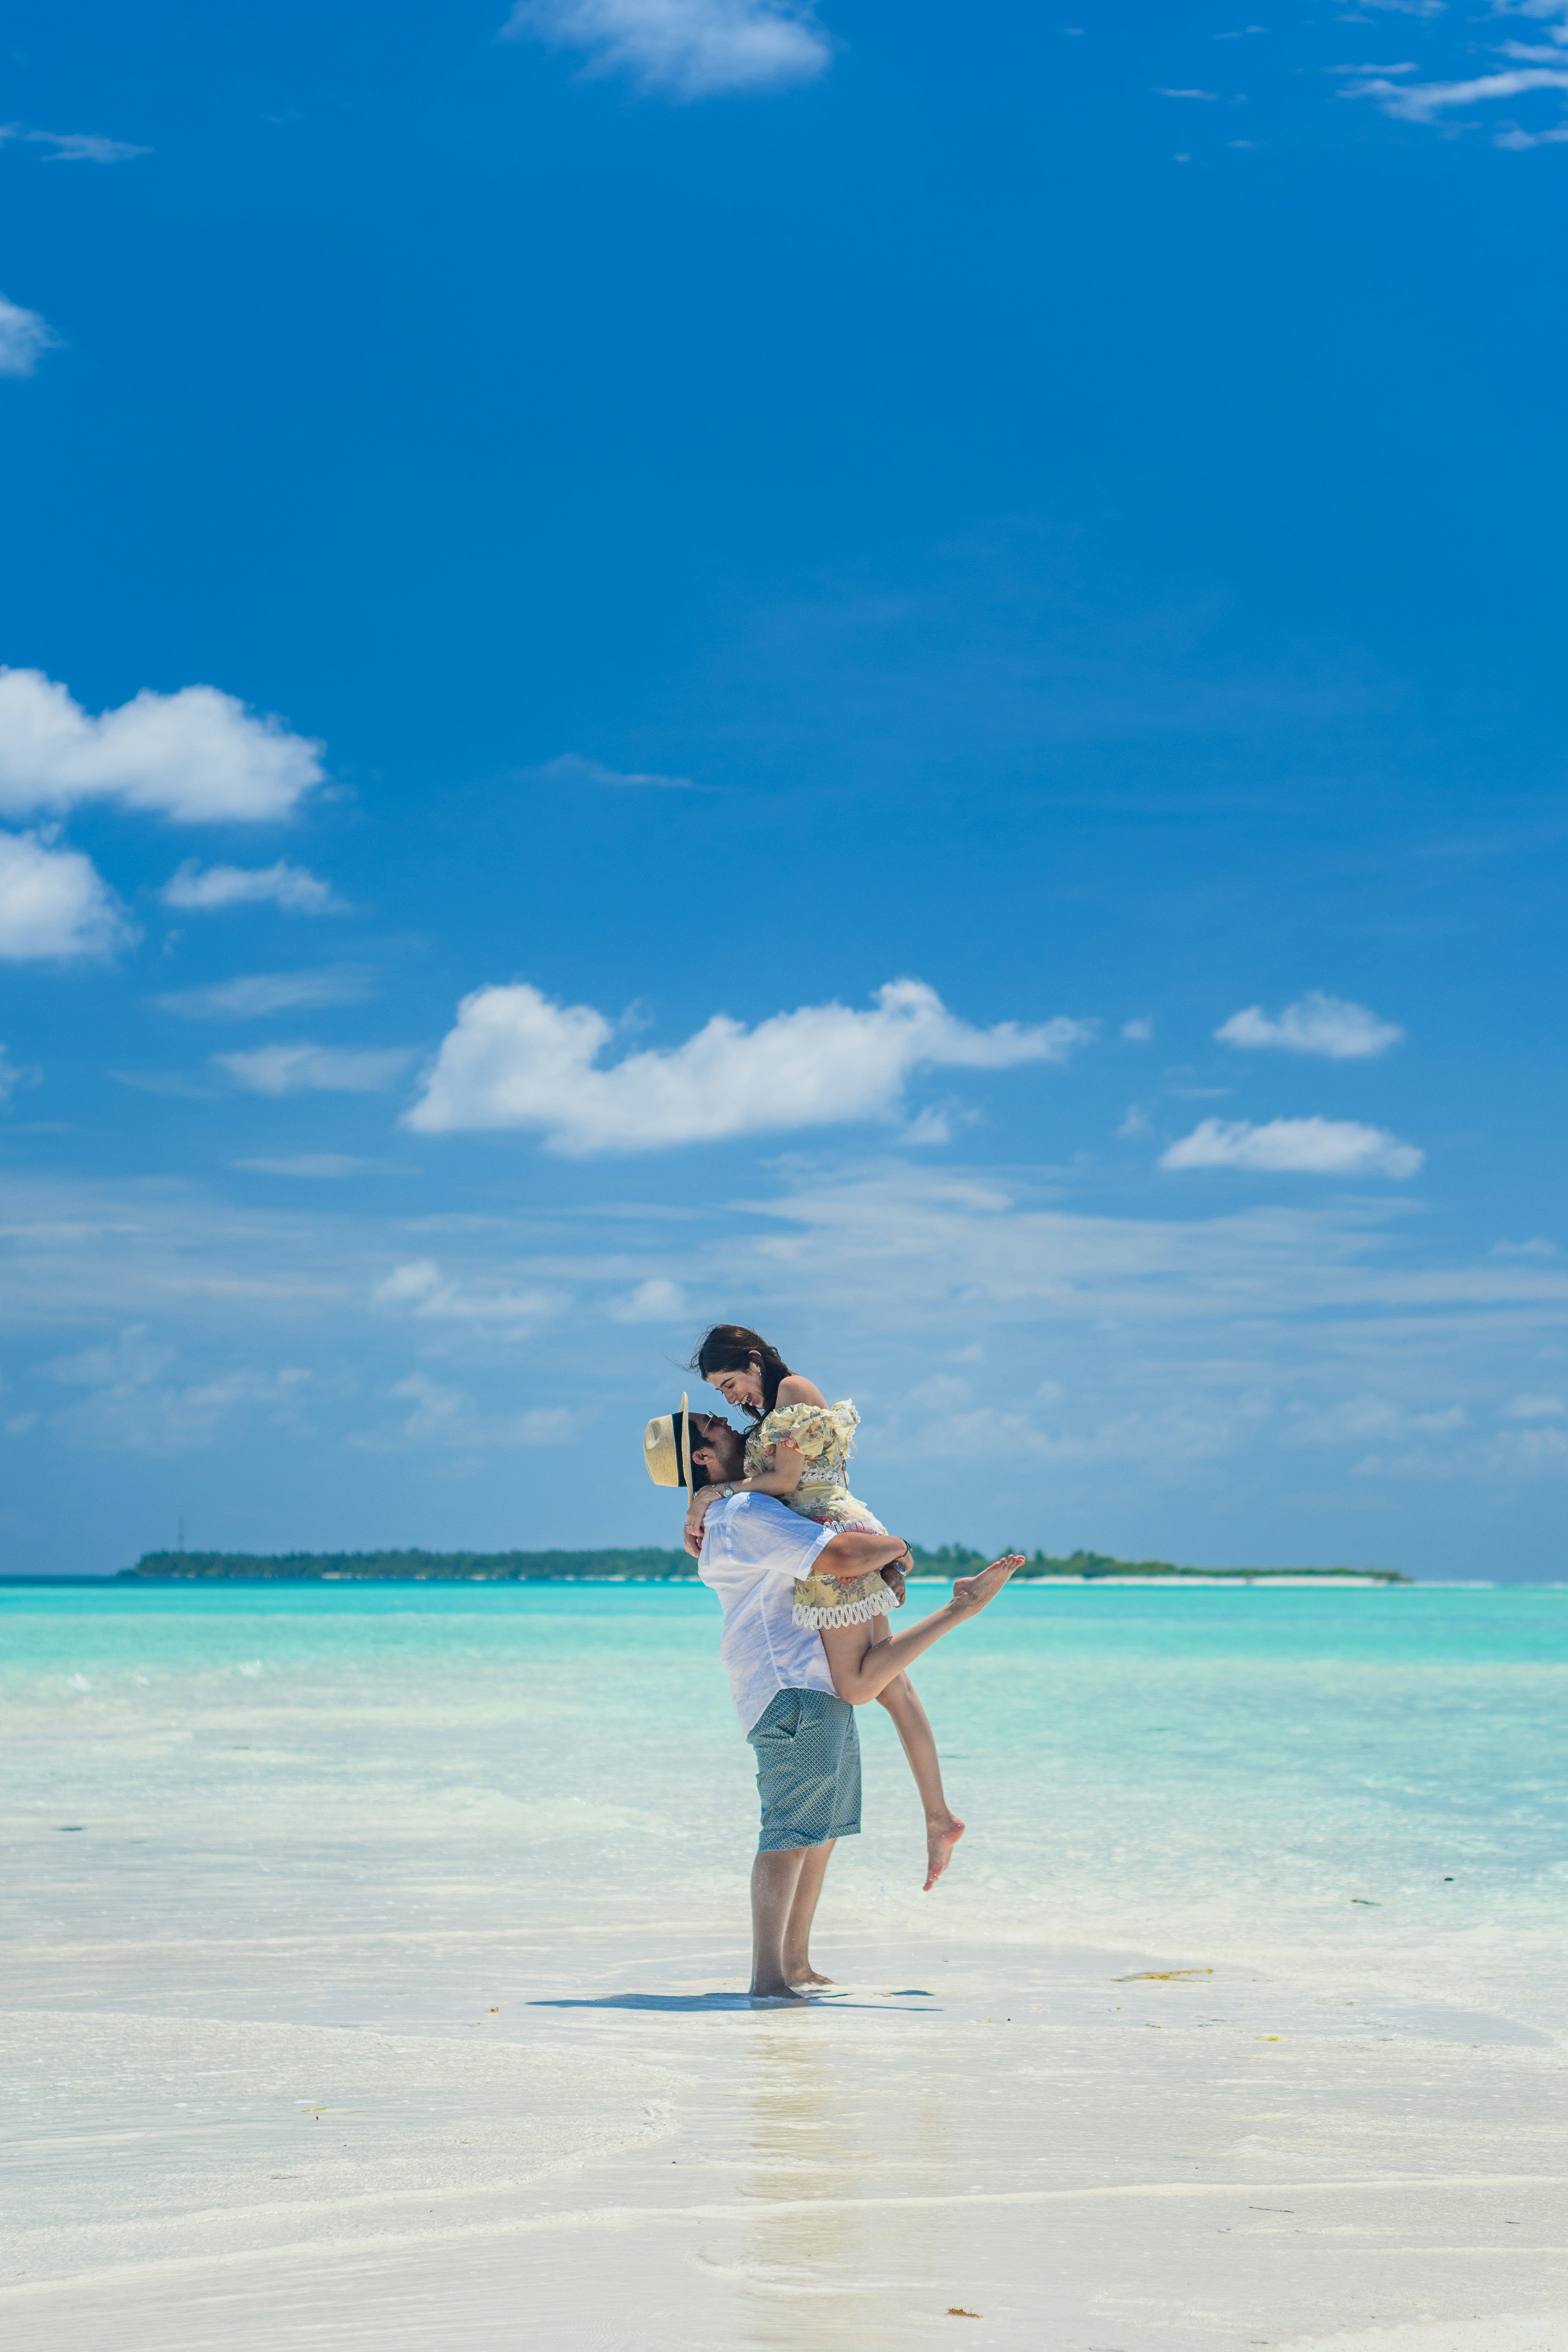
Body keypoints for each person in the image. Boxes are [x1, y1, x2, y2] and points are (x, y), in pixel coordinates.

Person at [643, 1396, 1021, 2001]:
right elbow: (841, 1553)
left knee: (819, 1833)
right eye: (715, 1424)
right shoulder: (742, 1511)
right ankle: (768, 1978)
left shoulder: (733, 1507)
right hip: (791, 1685)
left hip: (809, 1681)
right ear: (702, 1454)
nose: (732, 1423)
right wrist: (896, 1548)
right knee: (790, 1833)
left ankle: (795, 1964)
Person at [684, 1322, 967, 1891]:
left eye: (731, 1382)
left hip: (836, 1535)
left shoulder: (793, 1392)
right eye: (720, 1393)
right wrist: (708, 1493)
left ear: (755, 1360)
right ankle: (939, 1816)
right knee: (893, 1685)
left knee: (861, 1684)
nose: (731, 1399)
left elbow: (786, 1478)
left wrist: (714, 1491)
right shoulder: (779, 1406)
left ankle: (963, 1606)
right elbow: (781, 1481)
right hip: (843, 1527)